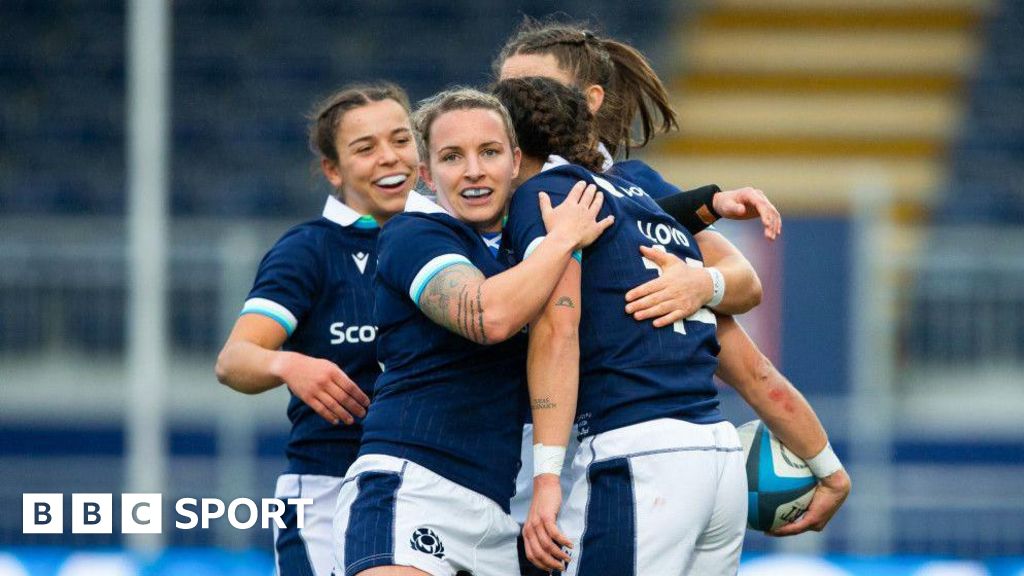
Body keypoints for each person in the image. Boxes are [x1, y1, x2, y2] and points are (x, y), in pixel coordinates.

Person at [493, 19, 850, 553]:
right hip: (683, 454)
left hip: (611, 455)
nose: (510, 108)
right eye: (502, 92)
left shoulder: (587, 192)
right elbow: (748, 362)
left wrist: (698, 284)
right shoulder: (615, 201)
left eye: (529, 91)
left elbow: (743, 284)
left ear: (589, 100)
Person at [332, 88, 614, 576]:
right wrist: (565, 237)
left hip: (498, 510)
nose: (474, 171)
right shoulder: (413, 234)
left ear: (516, 161)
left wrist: (705, 256)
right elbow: (489, 317)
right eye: (451, 157)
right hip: (411, 486)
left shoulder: (520, 247)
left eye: (489, 152)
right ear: (426, 174)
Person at [214, 82, 420, 576]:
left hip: (425, 493)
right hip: (328, 491)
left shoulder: (448, 237)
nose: (390, 158)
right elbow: (233, 361)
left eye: (401, 139)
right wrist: (288, 363)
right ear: (333, 170)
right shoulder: (309, 250)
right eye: (365, 148)